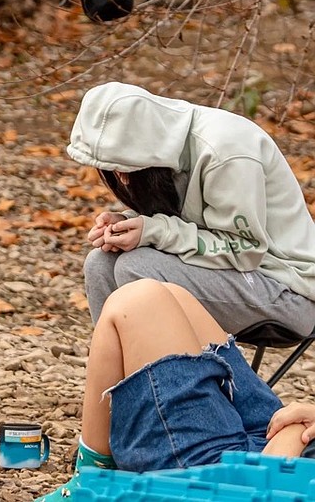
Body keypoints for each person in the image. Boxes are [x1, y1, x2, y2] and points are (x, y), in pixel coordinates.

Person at [68, 81, 315, 335]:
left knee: (137, 267)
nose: (120, 177)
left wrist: (153, 231)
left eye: (122, 165)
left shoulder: (225, 151)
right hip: (227, 273)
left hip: (287, 289)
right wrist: (128, 222)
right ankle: (121, 373)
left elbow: (245, 250)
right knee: (100, 264)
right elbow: (193, 222)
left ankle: (174, 374)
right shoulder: (162, 146)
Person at [37, 279, 315, 501]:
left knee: (137, 301)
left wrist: (294, 435)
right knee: (174, 295)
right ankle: (93, 476)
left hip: (268, 475)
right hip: (288, 435)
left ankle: (91, 481)